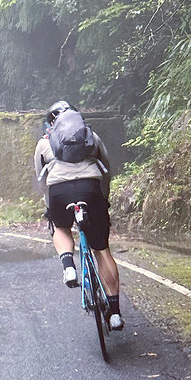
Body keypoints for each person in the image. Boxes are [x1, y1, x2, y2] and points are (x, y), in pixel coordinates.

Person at [34, 100, 123, 331]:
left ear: (50, 124)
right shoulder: (91, 138)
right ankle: (114, 313)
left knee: (60, 227)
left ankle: (69, 267)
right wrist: (102, 200)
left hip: (60, 193)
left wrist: (50, 207)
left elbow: (42, 181)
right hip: (91, 189)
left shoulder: (44, 143)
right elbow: (106, 171)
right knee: (101, 249)